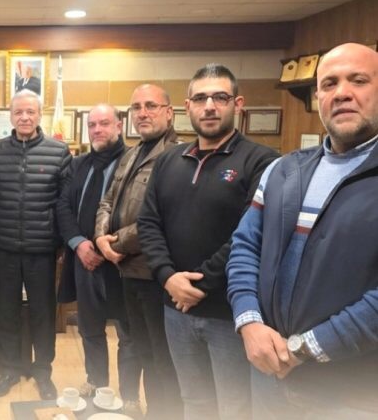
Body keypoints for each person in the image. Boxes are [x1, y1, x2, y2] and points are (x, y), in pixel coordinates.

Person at [227, 42, 378, 418]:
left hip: (351, 390)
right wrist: (249, 322)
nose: (342, 93)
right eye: (329, 84)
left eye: (358, 80)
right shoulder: (283, 171)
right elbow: (245, 247)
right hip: (269, 374)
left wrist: (303, 348)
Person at [137, 64, 278, 420]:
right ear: (188, 106)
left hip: (229, 313)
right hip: (175, 308)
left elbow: (251, 234)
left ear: (238, 104)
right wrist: (168, 277)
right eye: (200, 98)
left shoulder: (263, 162)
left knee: (234, 408)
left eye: (220, 97)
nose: (210, 106)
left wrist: (199, 284)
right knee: (194, 402)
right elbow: (148, 223)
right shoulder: (169, 160)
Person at [94, 85, 183, 420]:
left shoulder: (177, 156)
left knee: (163, 360)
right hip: (126, 272)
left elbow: (161, 218)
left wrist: (114, 243)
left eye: (151, 106)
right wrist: (100, 238)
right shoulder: (131, 154)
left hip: (154, 274)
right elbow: (107, 200)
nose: (142, 113)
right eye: (136, 107)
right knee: (143, 352)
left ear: (169, 112)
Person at [56, 104, 144, 414]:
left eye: (104, 123)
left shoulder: (135, 162)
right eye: (92, 124)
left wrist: (116, 246)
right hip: (86, 261)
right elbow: (63, 207)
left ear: (119, 126)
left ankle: (130, 395)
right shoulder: (78, 164)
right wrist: (79, 244)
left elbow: (143, 212)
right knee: (89, 327)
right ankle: (96, 381)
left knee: (128, 332)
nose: (97, 130)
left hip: (124, 261)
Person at [0, 89, 71, 400]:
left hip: (42, 250)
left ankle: (43, 371)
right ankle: (9, 368)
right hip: (6, 248)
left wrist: (61, 243)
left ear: (39, 114)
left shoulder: (59, 152)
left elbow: (64, 203)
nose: (24, 117)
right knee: (6, 311)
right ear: (10, 115)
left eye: (30, 112)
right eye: (18, 112)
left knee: (43, 314)